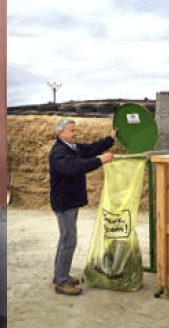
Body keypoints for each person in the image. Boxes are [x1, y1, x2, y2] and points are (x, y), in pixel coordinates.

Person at [49, 119, 116, 296]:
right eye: (71, 130)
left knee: (66, 239)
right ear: (60, 133)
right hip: (64, 203)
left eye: (75, 130)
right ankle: (62, 282)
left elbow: (92, 149)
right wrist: (99, 161)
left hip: (70, 202)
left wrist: (109, 139)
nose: (75, 133)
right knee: (69, 240)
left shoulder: (74, 147)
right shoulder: (59, 152)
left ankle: (60, 275)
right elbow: (74, 167)